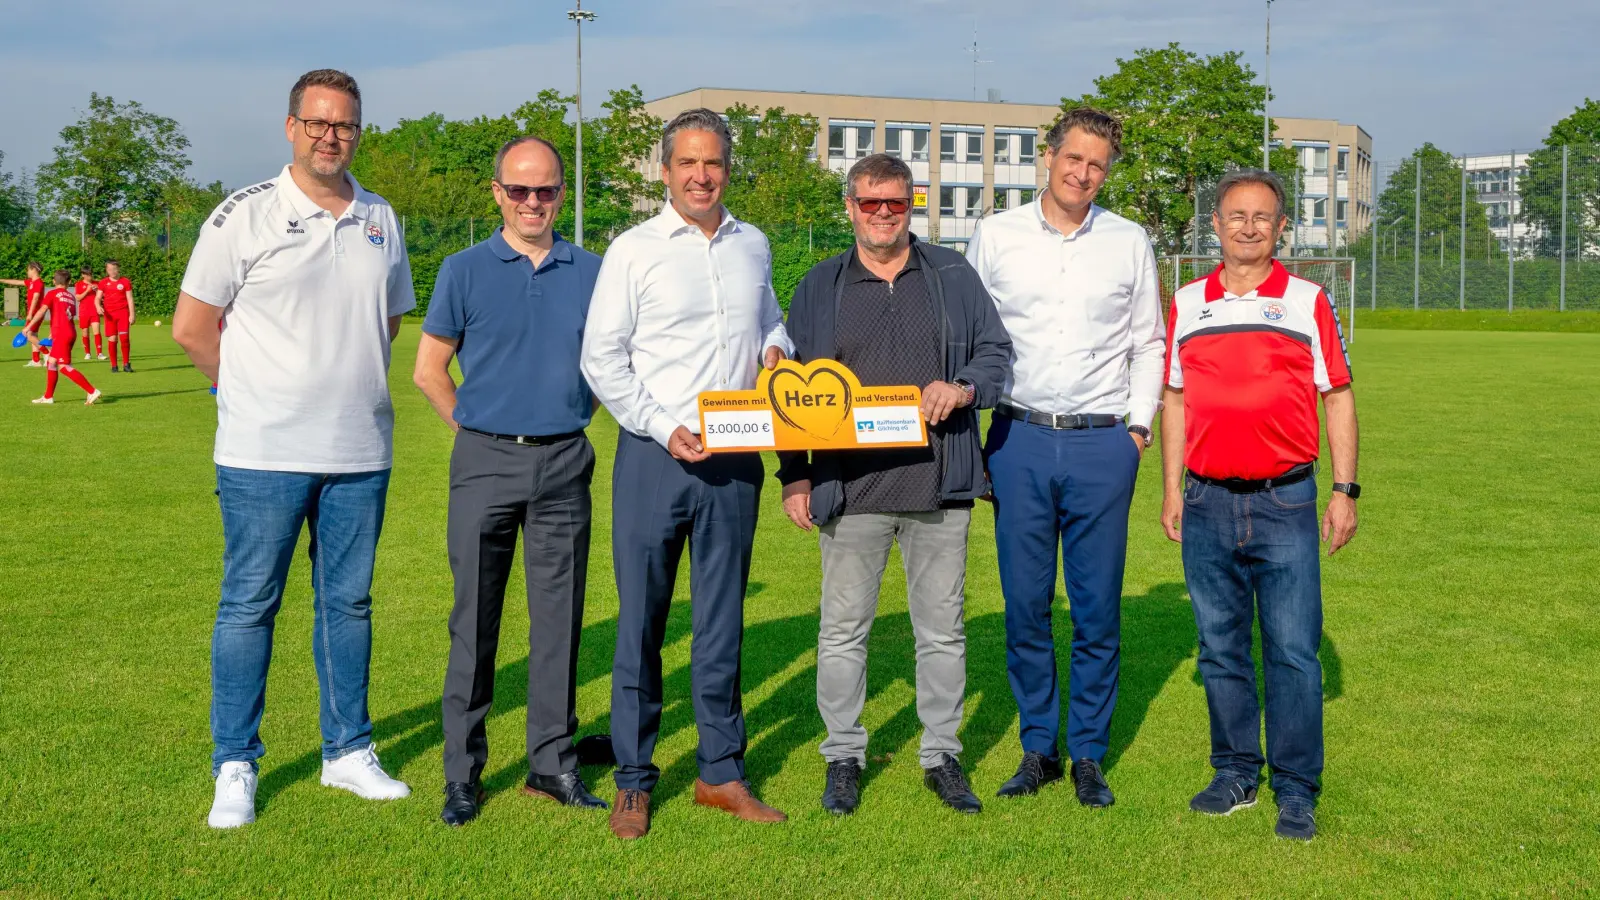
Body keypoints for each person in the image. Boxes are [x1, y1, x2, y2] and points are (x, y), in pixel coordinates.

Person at [171, 68, 416, 830]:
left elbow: (389, 321)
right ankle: (235, 764)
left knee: (348, 604)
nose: (329, 135)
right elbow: (191, 326)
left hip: (359, 449)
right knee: (249, 606)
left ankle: (347, 752)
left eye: (343, 124)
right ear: (290, 127)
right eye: (316, 122)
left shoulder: (381, 216)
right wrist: (248, 393)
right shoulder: (242, 214)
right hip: (261, 453)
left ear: (357, 130)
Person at [776, 153, 1011, 816]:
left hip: (939, 485)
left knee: (941, 631)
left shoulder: (953, 274)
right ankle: (843, 757)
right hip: (850, 493)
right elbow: (794, 391)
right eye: (870, 202)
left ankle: (941, 756)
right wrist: (795, 474)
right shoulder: (819, 285)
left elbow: (994, 353)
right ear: (849, 207)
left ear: (913, 205)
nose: (884, 213)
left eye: (896, 203)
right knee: (843, 630)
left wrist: (962, 386)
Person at [581, 108, 793, 841]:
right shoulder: (633, 251)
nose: (703, 176)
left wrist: (774, 351)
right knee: (640, 622)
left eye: (715, 164)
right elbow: (601, 358)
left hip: (736, 458)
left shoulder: (753, 245)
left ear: (728, 169)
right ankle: (634, 782)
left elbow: (771, 321)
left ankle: (720, 773)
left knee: (721, 625)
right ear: (666, 170)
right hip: (654, 456)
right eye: (689, 164)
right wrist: (664, 427)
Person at [965, 107, 1165, 807]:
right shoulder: (995, 235)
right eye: (1073, 158)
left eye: (1098, 164)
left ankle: (1087, 752)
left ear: (1107, 171)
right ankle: (1037, 746)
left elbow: (1148, 341)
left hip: (1102, 443)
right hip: (1017, 439)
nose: (1083, 174)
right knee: (1024, 606)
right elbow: (968, 335)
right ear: (1047, 156)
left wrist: (1136, 432)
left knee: (1096, 610)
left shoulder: (1127, 240)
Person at [1159, 169, 1358, 842]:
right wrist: (1169, 490)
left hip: (1286, 501)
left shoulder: (1307, 300)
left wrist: (1343, 489)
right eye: (1235, 214)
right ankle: (1235, 771)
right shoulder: (1188, 302)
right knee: (1219, 649)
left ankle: (1296, 789)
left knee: (1295, 652)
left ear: (1280, 229)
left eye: (1262, 216)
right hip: (1207, 500)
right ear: (1213, 225)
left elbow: (1338, 395)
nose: (1248, 226)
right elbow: (1175, 400)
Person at [413, 135, 607, 827]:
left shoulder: (594, 270)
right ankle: (462, 774)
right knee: (475, 624)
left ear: (562, 194)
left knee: (559, 623)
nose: (533, 201)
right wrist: (472, 430)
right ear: (497, 191)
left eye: (546, 190)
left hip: (564, 461)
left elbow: (620, 360)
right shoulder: (464, 269)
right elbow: (428, 368)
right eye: (519, 189)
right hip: (485, 462)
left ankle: (553, 766)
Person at [24, 270, 100, 405]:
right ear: (69, 282)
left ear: (54, 281)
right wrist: (53, 332)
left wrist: (28, 327)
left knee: (63, 366)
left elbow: (42, 311)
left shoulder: (52, 293)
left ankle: (92, 390)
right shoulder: (70, 296)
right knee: (51, 362)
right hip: (70, 332)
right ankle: (48, 397)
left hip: (62, 334)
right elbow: (66, 315)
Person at [2, 262, 48, 366]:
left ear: (33, 270)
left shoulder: (39, 283)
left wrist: (30, 313)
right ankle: (36, 361)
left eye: (28, 270)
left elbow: (36, 298)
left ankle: (47, 353)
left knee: (28, 334)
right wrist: (2, 280)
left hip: (35, 313)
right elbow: (17, 282)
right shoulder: (31, 282)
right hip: (32, 313)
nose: (27, 272)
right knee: (33, 335)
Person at [99, 260, 134, 372]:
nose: (112, 271)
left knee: (124, 338)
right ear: (106, 270)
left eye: (114, 269)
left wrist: (132, 314)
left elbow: (130, 298)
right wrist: (97, 306)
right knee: (113, 339)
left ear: (118, 269)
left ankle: (126, 364)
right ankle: (114, 365)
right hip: (109, 316)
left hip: (123, 314)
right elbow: (97, 298)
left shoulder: (125, 282)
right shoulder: (103, 282)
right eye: (109, 269)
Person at [74, 267, 104, 361]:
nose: (89, 276)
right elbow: (78, 298)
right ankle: (87, 353)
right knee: (85, 333)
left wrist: (96, 291)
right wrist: (87, 291)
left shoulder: (97, 284)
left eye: (90, 274)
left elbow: (103, 297)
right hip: (84, 312)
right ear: (83, 275)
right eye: (87, 274)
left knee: (97, 332)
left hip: (94, 311)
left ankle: (99, 353)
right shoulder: (78, 284)